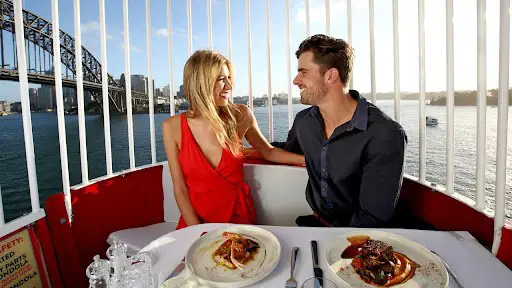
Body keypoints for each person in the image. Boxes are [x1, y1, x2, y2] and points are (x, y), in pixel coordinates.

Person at [162, 50, 305, 230]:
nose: (229, 85)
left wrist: (309, 160)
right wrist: (197, 233)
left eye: (229, 78)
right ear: (201, 82)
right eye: (222, 79)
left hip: (237, 219)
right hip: (195, 223)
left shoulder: (241, 115)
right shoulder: (172, 127)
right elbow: (180, 189)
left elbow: (268, 151)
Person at [282, 34, 407, 228]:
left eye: (303, 72)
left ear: (330, 75)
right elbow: (289, 151)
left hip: (359, 240)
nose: (295, 80)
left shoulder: (384, 134)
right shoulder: (303, 122)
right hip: (316, 225)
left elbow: (371, 218)